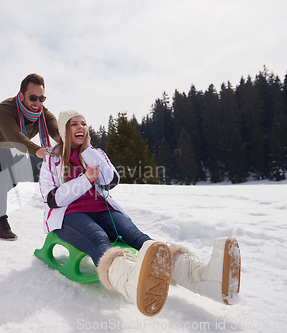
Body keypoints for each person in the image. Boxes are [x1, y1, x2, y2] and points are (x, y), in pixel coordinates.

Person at [38, 110, 241, 316]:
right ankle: (129, 282)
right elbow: (54, 199)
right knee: (98, 239)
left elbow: (110, 181)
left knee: (139, 239)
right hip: (69, 215)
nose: (80, 127)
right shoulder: (51, 160)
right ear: (64, 130)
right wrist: (84, 180)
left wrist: (88, 153)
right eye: (74, 124)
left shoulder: (94, 154)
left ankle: (206, 279)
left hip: (102, 208)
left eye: (83, 123)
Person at [0, 74, 60, 241]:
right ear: (21, 96)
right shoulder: (5, 109)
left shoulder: (42, 114)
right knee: (2, 173)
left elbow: (56, 131)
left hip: (1, 143)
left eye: (41, 98)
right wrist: (39, 151)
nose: (37, 103)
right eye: (33, 97)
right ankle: (0, 222)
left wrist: (67, 142)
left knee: (11, 180)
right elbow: (13, 136)